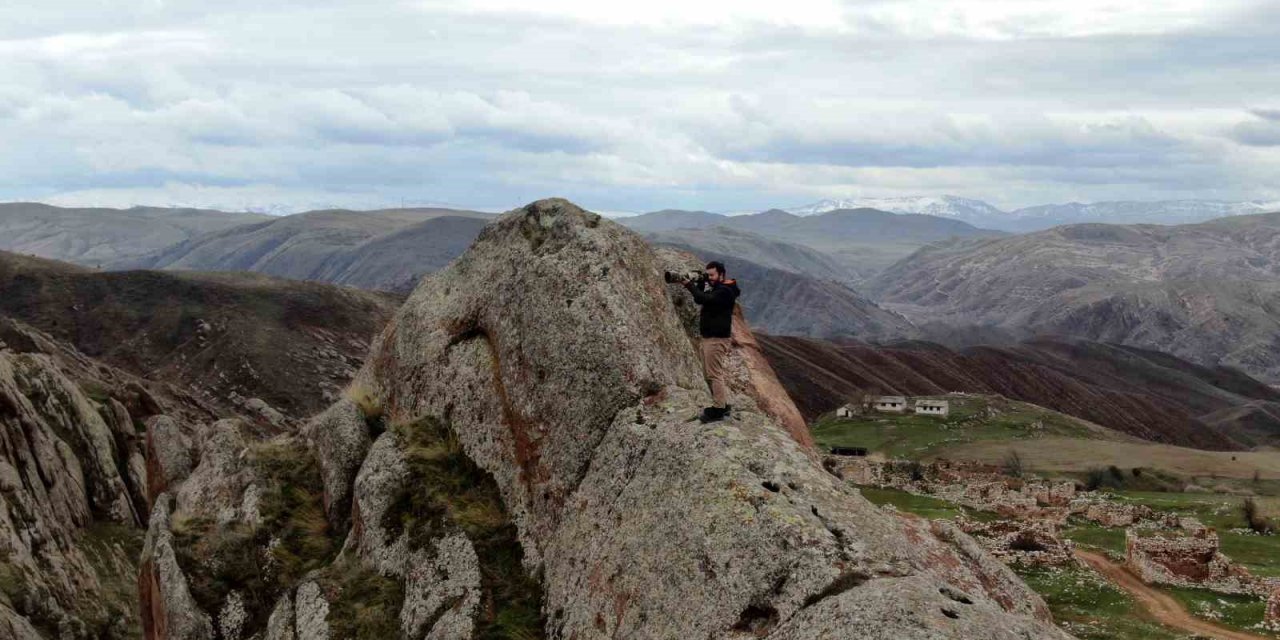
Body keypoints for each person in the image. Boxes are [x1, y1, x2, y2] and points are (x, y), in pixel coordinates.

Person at [683, 261, 740, 423]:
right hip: (709, 337)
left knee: (714, 374)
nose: (710, 278)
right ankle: (722, 403)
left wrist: (688, 285)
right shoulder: (718, 288)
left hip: (717, 339)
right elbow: (700, 300)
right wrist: (700, 285)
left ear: (722, 275)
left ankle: (718, 410)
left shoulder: (725, 291)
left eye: (712, 275)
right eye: (708, 275)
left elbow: (704, 299)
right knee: (709, 374)